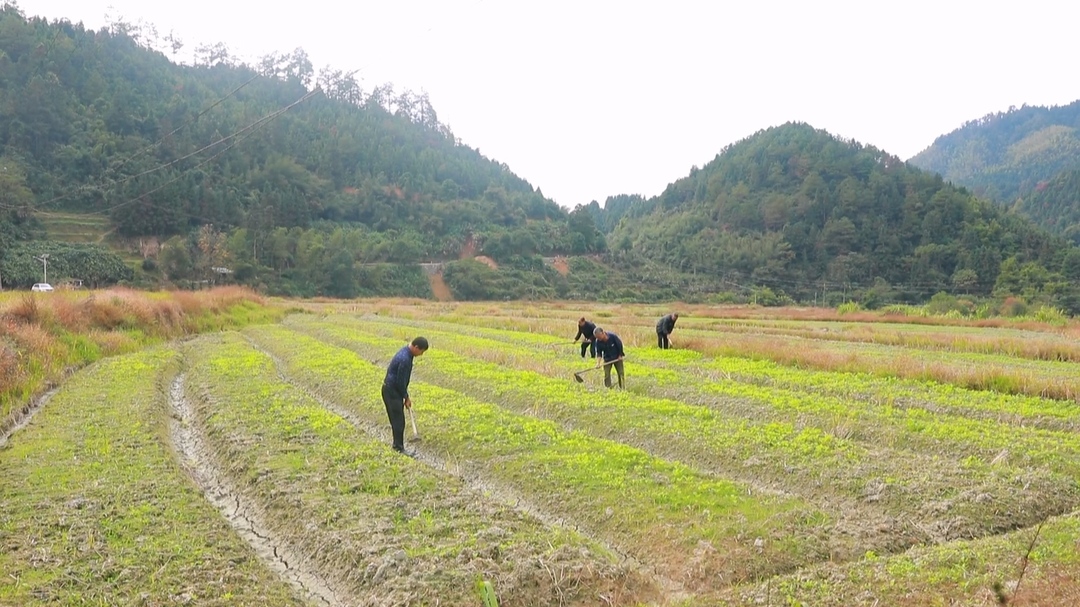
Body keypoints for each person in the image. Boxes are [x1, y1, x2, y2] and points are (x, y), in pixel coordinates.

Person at [382, 336, 429, 455]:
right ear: (416, 347)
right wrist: (406, 397)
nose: (421, 354)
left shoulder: (406, 353)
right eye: (421, 351)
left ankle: (397, 445)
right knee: (398, 421)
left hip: (392, 390)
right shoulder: (405, 359)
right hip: (392, 391)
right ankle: (398, 447)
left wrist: (404, 395)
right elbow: (400, 382)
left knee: (397, 419)